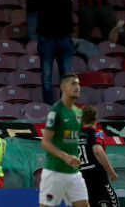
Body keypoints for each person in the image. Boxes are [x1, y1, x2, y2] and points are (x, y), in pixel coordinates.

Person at [14, 0, 95, 104]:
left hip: (64, 40)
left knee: (66, 77)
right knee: (46, 77)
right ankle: (48, 107)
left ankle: (63, 107)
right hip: (46, 41)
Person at [39, 72, 89, 207]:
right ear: (63, 87)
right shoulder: (56, 111)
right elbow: (45, 142)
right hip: (55, 172)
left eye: (78, 83)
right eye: (73, 83)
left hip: (73, 173)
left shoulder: (78, 113)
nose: (77, 86)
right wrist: (65, 157)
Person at [78, 105, 119, 207]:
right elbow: (98, 151)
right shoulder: (97, 133)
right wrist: (111, 172)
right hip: (97, 178)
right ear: (96, 118)